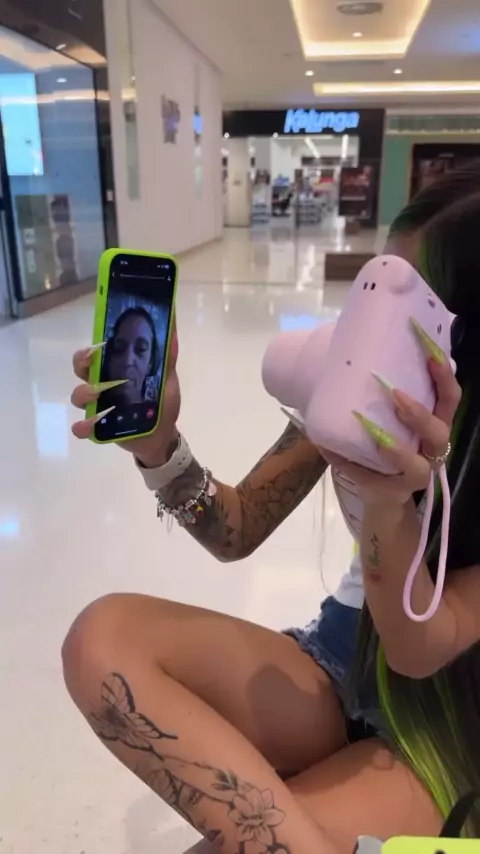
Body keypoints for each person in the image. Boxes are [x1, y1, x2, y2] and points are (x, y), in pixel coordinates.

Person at [64, 164, 480, 854]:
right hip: (342, 654)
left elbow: (419, 649)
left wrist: (387, 502)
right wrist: (159, 447)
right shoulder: (358, 382)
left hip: (447, 714)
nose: (365, 329)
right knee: (100, 640)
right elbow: (237, 528)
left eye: (403, 312)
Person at [100, 306, 161, 407]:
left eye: (141, 349)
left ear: (150, 363)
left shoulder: (157, 410)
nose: (127, 361)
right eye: (119, 348)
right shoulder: (95, 404)